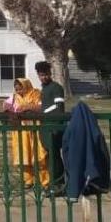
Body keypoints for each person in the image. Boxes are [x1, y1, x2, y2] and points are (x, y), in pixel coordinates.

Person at [5, 77, 50, 189]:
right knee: (24, 156)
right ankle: (28, 180)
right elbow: (6, 105)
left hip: (35, 128)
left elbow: (41, 107)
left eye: (21, 89)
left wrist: (27, 107)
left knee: (39, 155)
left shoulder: (36, 94)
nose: (19, 92)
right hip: (21, 130)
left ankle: (45, 181)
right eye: (17, 89)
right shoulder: (15, 97)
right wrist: (9, 109)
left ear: (26, 86)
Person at [36, 61, 66, 191]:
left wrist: (57, 127)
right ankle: (52, 181)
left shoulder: (56, 88)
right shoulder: (43, 89)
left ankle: (58, 183)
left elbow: (60, 109)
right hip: (44, 127)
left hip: (53, 127)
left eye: (46, 74)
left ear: (50, 73)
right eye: (41, 75)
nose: (44, 77)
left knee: (55, 156)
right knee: (49, 156)